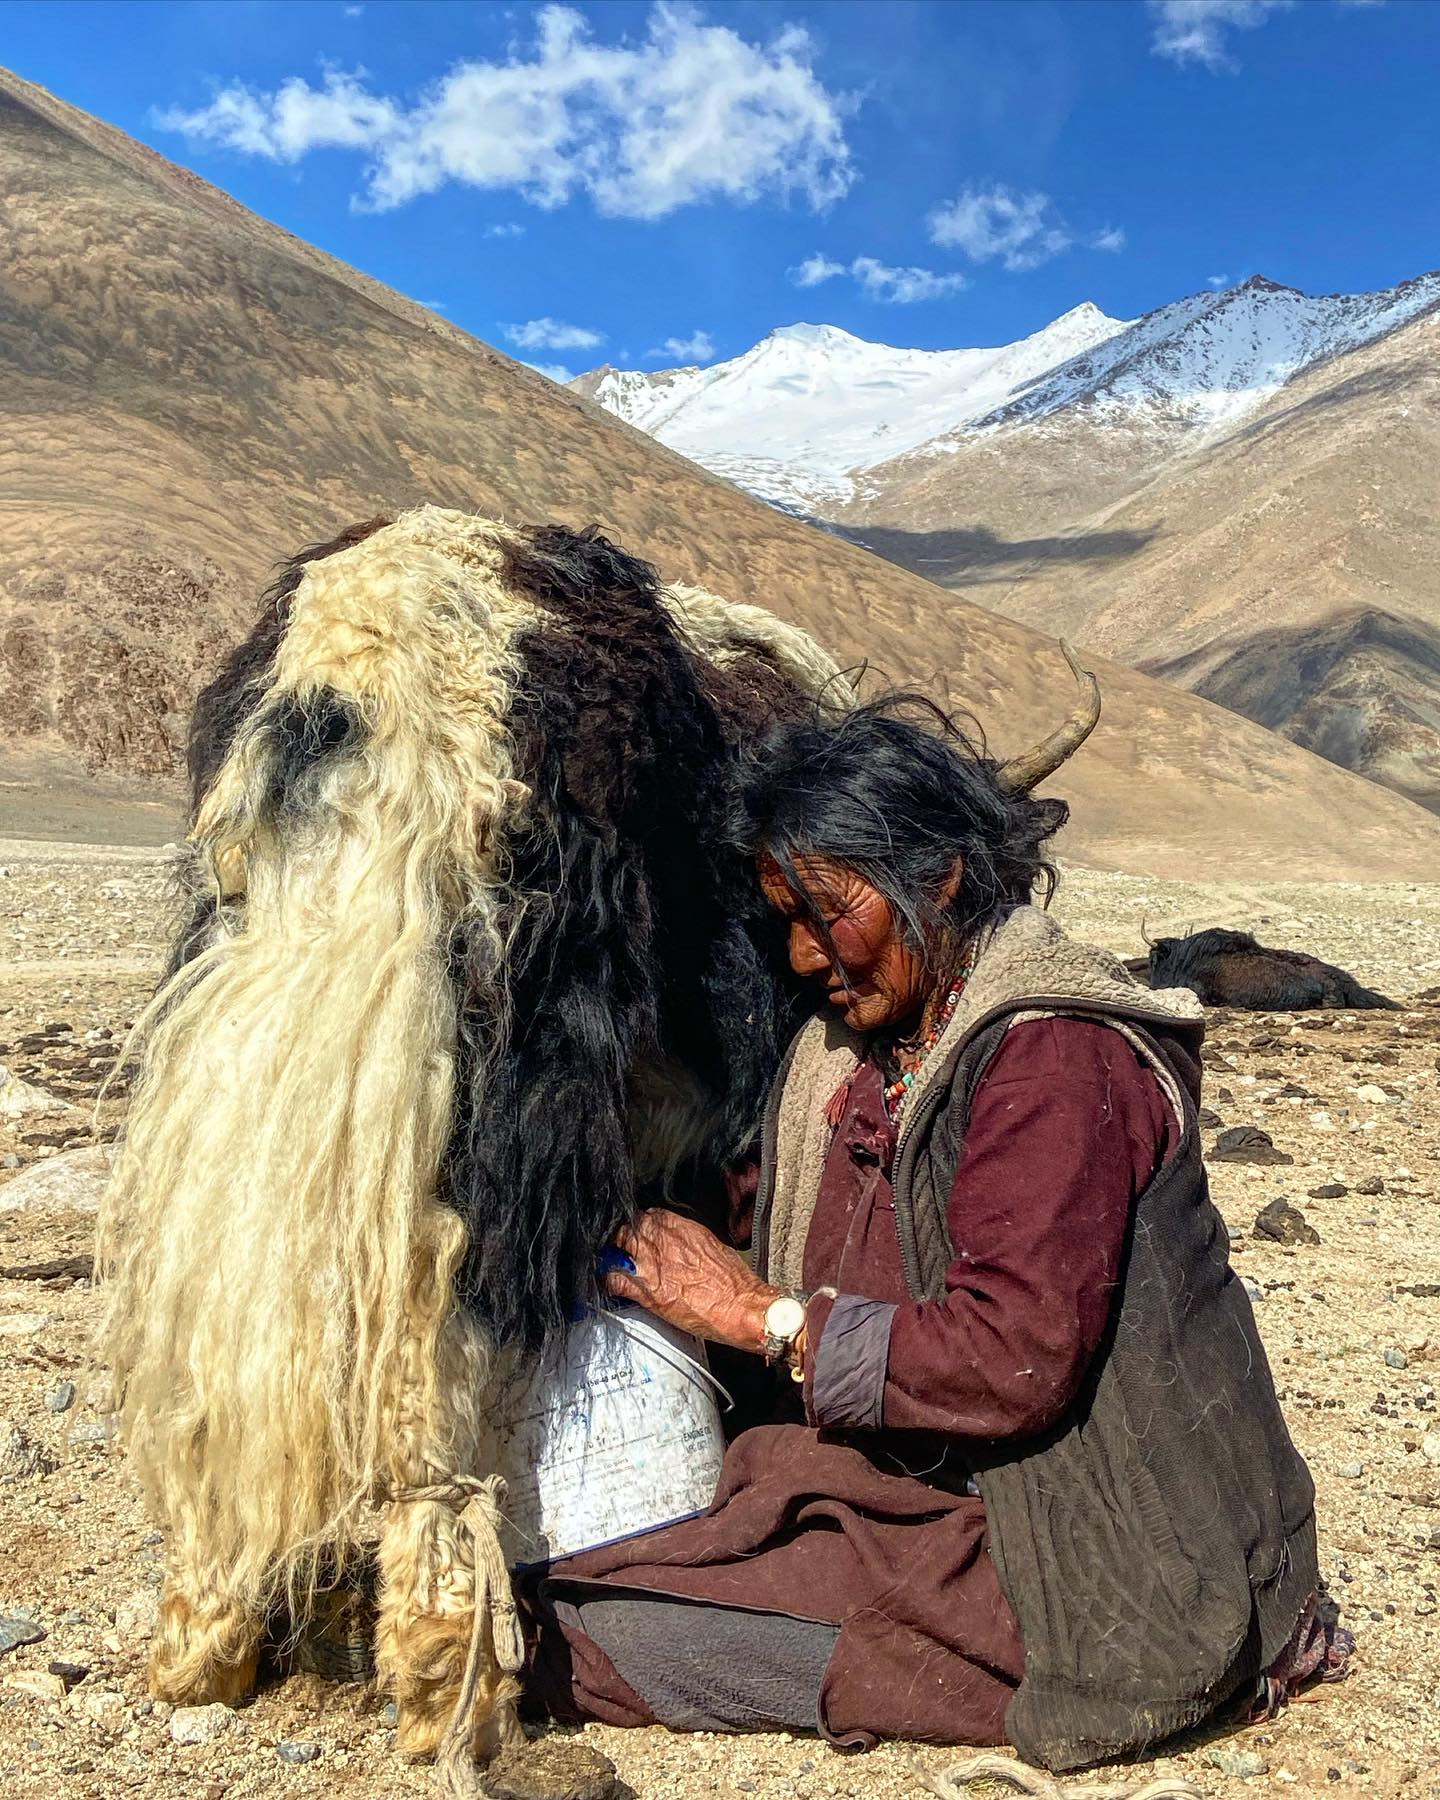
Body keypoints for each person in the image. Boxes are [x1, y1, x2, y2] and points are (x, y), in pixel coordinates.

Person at [519, 696, 1347, 1773]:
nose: (808, 955)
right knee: (616, 1567)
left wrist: (754, 1313)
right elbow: (777, 1217)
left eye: (831, 912)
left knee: (580, 1635)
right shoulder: (861, 1052)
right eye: (786, 923)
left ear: (941, 875)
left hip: (1098, 1552)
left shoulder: (1052, 1060)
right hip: (934, 1497)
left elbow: (1011, 1357)